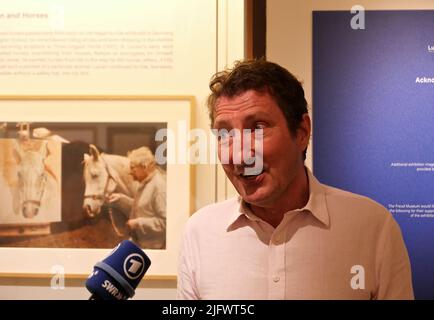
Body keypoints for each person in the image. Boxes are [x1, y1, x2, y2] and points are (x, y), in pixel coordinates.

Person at [177, 60, 414, 299]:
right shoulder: (199, 233)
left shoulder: (372, 227)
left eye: (257, 128)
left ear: (301, 132)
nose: (238, 155)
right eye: (225, 134)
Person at [108, 146, 166, 249]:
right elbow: (144, 207)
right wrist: (122, 199)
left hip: (153, 249)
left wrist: (138, 223)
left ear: (144, 167)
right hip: (140, 245)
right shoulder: (146, 184)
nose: (130, 172)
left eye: (133, 167)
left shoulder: (159, 187)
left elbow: (165, 223)